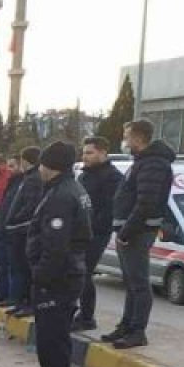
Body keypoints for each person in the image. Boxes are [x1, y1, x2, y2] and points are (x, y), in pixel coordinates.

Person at [23, 141, 92, 367]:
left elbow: (56, 246)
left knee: (51, 342)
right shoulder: (69, 189)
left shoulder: (61, 196)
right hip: (66, 275)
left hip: (57, 280)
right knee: (55, 340)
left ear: (49, 166)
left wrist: (40, 277)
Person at [105, 119, 175, 349]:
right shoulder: (142, 162)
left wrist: (126, 231)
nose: (125, 141)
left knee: (139, 283)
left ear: (138, 137)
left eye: (127, 136)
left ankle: (137, 331)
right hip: (131, 229)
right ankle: (126, 325)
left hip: (138, 231)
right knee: (131, 282)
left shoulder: (153, 164)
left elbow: (145, 203)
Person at [74, 136, 125, 332]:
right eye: (84, 152)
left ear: (103, 153)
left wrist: (93, 227)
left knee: (85, 272)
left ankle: (87, 317)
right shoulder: (84, 176)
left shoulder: (112, 177)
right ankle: (80, 313)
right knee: (77, 273)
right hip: (79, 231)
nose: (85, 157)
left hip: (96, 233)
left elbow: (110, 208)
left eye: (90, 153)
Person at [4, 146, 44, 317]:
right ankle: (20, 302)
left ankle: (28, 303)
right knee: (19, 268)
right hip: (17, 230)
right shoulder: (27, 178)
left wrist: (15, 220)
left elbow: (30, 205)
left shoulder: (34, 179)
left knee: (25, 269)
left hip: (23, 230)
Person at [0, 154, 24, 304]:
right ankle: (2, 291)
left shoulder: (21, 184)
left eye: (12, 166)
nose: (9, 170)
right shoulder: (10, 183)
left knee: (12, 266)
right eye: (8, 166)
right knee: (0, 263)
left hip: (10, 230)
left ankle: (12, 295)